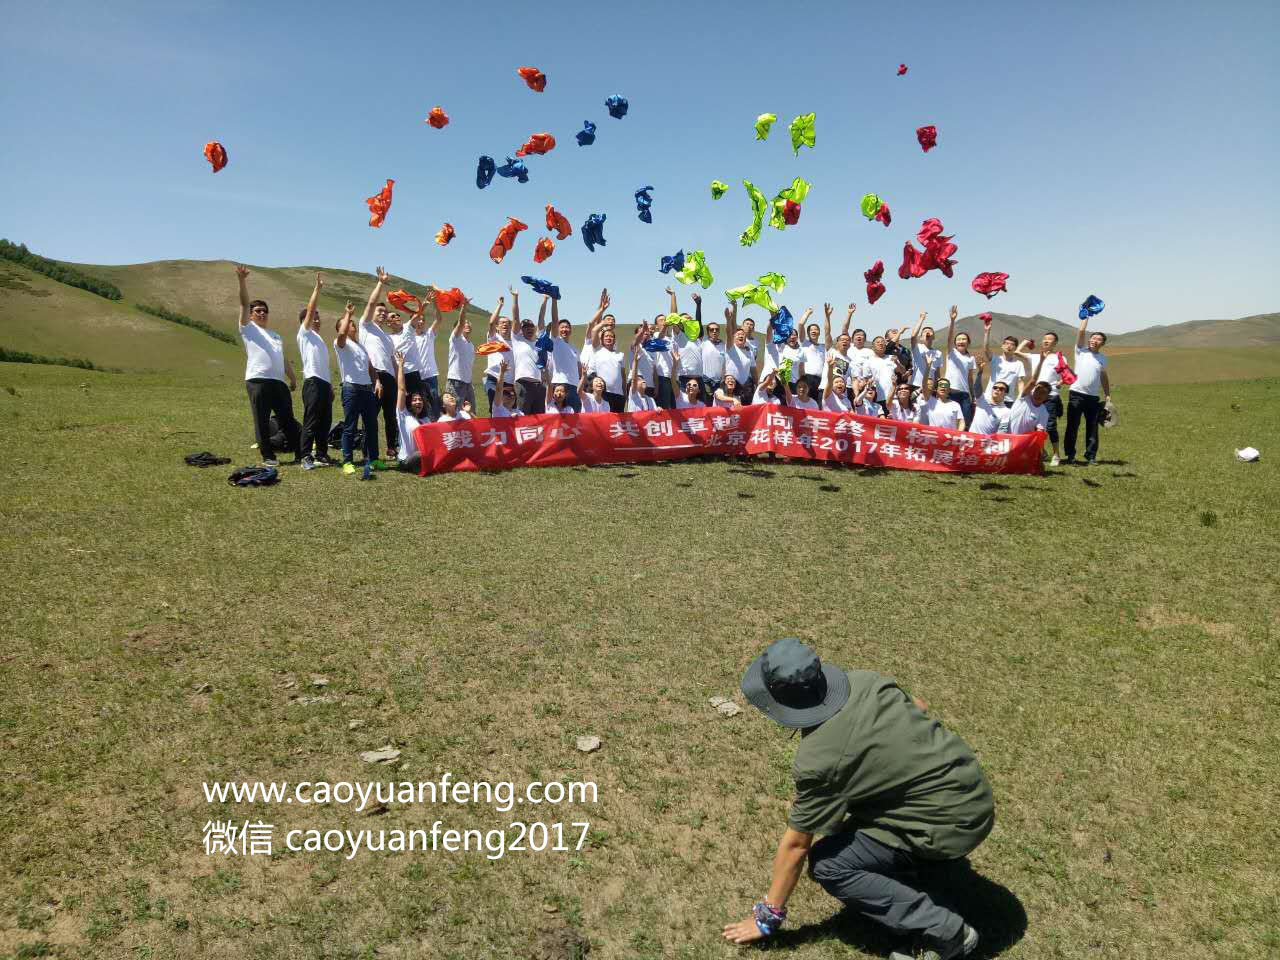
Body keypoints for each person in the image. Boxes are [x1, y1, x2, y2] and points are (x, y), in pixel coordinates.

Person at [723, 638, 990, 960]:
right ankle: (919, 877)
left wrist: (767, 917)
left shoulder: (819, 761)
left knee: (831, 863)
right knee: (852, 824)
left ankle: (946, 932)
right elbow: (918, 706)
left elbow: (796, 846)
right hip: (974, 792)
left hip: (950, 827)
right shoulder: (867, 681)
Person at [236, 264, 301, 467]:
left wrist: (292, 377)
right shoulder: (248, 328)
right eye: (258, 311)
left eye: (265, 311)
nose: (262, 314)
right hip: (257, 380)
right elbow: (244, 303)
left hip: (278, 382)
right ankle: (268, 456)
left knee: (287, 419)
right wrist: (242, 281)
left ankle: (300, 453)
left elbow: (282, 358)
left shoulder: (275, 335)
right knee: (262, 420)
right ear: (251, 313)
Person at [333, 287, 383, 476]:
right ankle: (347, 461)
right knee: (350, 426)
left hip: (367, 389)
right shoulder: (341, 345)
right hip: (351, 389)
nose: (353, 326)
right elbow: (342, 333)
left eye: (353, 323)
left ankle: (375, 459)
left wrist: (377, 381)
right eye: (350, 324)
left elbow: (370, 367)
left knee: (371, 425)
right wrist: (348, 314)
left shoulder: (361, 347)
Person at [296, 273, 334, 468]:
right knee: (311, 420)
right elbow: (310, 310)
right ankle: (305, 456)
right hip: (312, 382)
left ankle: (321, 453)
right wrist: (317, 289)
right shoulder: (304, 334)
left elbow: (324, 366)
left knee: (325, 420)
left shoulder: (319, 340)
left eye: (319, 318)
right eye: (314, 318)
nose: (317, 320)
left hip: (324, 383)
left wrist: (330, 387)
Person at [1063, 313, 1111, 465]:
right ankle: (1070, 455)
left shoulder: (1102, 358)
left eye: (1098, 339)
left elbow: (1103, 376)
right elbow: (1081, 332)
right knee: (1073, 425)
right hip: (1076, 394)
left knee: (1092, 427)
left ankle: (1091, 456)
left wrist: (1107, 394)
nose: (1094, 340)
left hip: (1093, 397)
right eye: (1093, 338)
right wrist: (1087, 316)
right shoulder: (1080, 351)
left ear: (1102, 343)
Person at [360, 295, 399, 461]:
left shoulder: (388, 338)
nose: (383, 313)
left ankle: (391, 448)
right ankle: (368, 451)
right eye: (380, 311)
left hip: (389, 377)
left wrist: (399, 382)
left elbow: (393, 360)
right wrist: (380, 283)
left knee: (391, 416)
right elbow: (370, 302)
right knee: (371, 415)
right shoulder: (366, 325)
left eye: (385, 311)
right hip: (373, 374)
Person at [586, 291, 627, 412]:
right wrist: (602, 311)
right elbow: (594, 331)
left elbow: (623, 376)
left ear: (614, 340)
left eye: (611, 337)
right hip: (603, 392)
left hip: (619, 394)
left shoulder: (619, 354)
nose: (609, 338)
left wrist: (625, 392)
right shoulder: (597, 349)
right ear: (602, 339)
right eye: (606, 336)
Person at [511, 294, 549, 415]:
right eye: (525, 327)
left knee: (539, 417)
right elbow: (516, 318)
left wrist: (545, 300)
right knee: (523, 416)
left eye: (531, 326)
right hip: (523, 384)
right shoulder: (517, 340)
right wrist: (515, 298)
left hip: (539, 386)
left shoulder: (539, 341)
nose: (529, 328)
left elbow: (541, 319)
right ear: (521, 330)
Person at [392, 348, 428, 473]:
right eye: (414, 400)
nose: (418, 402)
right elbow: (401, 389)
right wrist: (401, 366)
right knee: (421, 455)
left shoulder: (426, 420)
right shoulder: (403, 415)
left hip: (423, 455)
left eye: (420, 400)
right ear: (409, 403)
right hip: (407, 460)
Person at [942, 305, 977, 428]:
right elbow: (949, 337)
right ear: (955, 342)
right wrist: (952, 321)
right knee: (950, 422)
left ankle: (963, 446)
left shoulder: (971, 358)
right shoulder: (952, 353)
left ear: (968, 343)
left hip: (965, 395)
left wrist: (973, 396)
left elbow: (970, 379)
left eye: (964, 339)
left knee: (966, 423)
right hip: (950, 392)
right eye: (958, 339)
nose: (961, 341)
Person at [482, 290, 516, 415]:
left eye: (507, 323)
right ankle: (494, 432)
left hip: (509, 381)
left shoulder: (515, 341)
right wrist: (500, 306)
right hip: (494, 378)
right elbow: (491, 322)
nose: (505, 325)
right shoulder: (493, 337)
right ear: (497, 327)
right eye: (502, 323)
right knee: (495, 407)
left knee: (509, 410)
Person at [412, 295, 445, 419]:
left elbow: (439, 319)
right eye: (418, 320)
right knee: (417, 406)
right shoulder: (408, 337)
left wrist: (435, 303)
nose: (420, 322)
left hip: (430, 376)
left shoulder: (429, 335)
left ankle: (433, 431)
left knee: (434, 405)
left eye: (423, 320)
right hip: (415, 377)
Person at [1006, 349, 1053, 436]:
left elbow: (1040, 431)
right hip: (1007, 438)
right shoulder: (1024, 397)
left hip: (1022, 443)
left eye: (1043, 393)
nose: (1039, 394)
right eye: (1037, 390)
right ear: (1033, 390)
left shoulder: (1043, 412)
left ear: (1047, 397)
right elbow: (1033, 381)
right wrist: (1041, 361)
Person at [548, 298, 583, 413]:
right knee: (557, 415)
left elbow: (579, 370)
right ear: (557, 329)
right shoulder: (556, 341)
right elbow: (554, 319)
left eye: (567, 327)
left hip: (573, 386)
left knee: (575, 417)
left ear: (571, 330)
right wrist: (554, 300)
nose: (564, 329)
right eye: (562, 327)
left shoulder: (575, 349)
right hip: (559, 383)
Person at [1037, 332, 1066, 465]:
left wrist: (1061, 382)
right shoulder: (1035, 356)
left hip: (1051, 396)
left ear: (1055, 343)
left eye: (1050, 340)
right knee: (1036, 426)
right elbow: (1018, 352)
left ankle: (1056, 455)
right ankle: (1041, 452)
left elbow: (1065, 375)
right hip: (1035, 396)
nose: (1046, 341)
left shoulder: (1059, 358)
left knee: (1050, 426)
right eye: (1044, 339)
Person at [446, 294, 478, 413]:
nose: (468, 325)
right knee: (455, 412)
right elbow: (460, 322)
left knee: (471, 412)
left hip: (467, 383)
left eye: (469, 323)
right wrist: (464, 306)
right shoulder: (456, 339)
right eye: (465, 324)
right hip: (456, 381)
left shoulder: (471, 345)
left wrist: (470, 382)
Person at [980, 321, 1026, 406]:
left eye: (1012, 345)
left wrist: (1021, 397)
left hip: (1008, 400)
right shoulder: (995, 359)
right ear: (1002, 346)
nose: (1009, 346)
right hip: (990, 398)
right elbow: (986, 348)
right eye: (1007, 344)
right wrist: (987, 332)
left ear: (1015, 348)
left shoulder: (1019, 364)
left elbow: (1020, 382)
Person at [916, 359, 964, 430]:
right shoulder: (930, 401)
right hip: (934, 437)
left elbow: (962, 421)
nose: (943, 387)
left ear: (949, 390)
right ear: (936, 389)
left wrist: (959, 434)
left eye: (946, 385)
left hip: (949, 438)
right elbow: (924, 385)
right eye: (941, 385)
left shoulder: (956, 405)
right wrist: (928, 367)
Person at [724, 304, 756, 403]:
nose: (741, 336)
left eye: (743, 335)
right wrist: (728, 320)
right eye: (738, 334)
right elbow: (729, 332)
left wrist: (757, 384)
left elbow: (754, 370)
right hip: (731, 386)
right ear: (734, 338)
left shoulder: (749, 351)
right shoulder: (731, 348)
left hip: (745, 388)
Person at [625, 327, 659, 412]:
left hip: (649, 386)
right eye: (642, 332)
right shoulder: (636, 346)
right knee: (637, 409)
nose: (646, 333)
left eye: (647, 332)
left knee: (650, 411)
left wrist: (656, 386)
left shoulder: (653, 350)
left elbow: (654, 370)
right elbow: (636, 341)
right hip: (636, 384)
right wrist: (643, 329)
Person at [909, 311, 942, 391]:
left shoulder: (938, 353)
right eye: (924, 332)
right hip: (916, 385)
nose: (927, 332)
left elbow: (937, 373)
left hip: (930, 387)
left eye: (930, 331)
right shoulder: (917, 348)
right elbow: (913, 336)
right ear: (920, 337)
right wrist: (921, 319)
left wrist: (937, 386)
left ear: (933, 337)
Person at [701, 313, 727, 404]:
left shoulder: (724, 345)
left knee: (719, 406)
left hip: (719, 382)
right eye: (711, 330)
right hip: (706, 381)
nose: (714, 331)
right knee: (707, 405)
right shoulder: (703, 344)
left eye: (717, 329)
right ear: (708, 332)